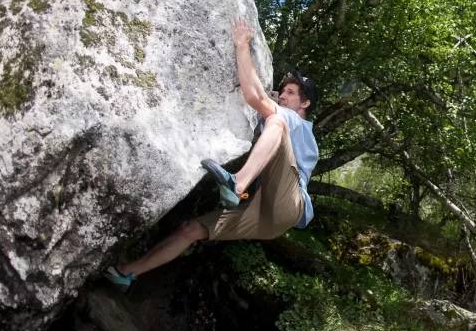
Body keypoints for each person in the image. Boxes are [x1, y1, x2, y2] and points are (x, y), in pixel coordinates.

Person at [104, 17, 319, 290]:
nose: (284, 96)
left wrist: (241, 45)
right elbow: (257, 96)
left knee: (276, 122)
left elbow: (254, 97)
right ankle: (127, 273)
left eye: (291, 93)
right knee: (191, 230)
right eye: (284, 91)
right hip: (267, 218)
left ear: (305, 103)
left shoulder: (294, 121)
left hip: (290, 203)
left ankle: (237, 183)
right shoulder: (286, 118)